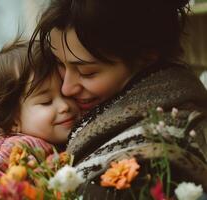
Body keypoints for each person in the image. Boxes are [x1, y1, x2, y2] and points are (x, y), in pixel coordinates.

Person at [29, 0, 207, 198]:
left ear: (146, 57)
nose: (66, 87)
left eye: (87, 72)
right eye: (60, 64)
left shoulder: (157, 156)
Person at [0, 40, 80, 179]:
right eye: (46, 102)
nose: (64, 106)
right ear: (13, 121)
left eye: (66, 94)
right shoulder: (18, 151)